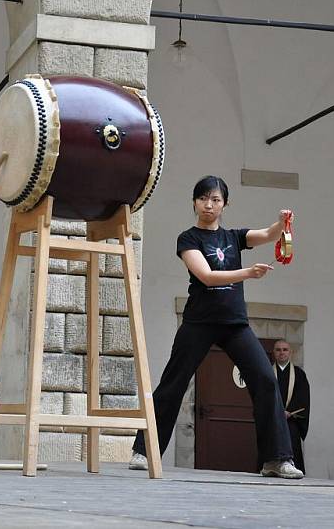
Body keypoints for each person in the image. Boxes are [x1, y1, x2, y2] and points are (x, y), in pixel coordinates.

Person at [128, 175, 303, 479]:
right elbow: (207, 276)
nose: (209, 205)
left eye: (216, 200)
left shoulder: (234, 237)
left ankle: (276, 459)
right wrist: (248, 272)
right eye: (203, 199)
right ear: (194, 202)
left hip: (235, 325)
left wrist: (281, 223)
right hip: (199, 323)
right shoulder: (188, 239)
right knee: (173, 384)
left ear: (225, 204)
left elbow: (268, 234)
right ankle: (144, 450)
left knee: (265, 379)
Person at [271, 339, 310, 473]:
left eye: (285, 349)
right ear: (273, 353)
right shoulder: (267, 372)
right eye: (278, 349)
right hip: (272, 419)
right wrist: (275, 411)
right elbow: (262, 394)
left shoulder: (299, 374)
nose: (282, 352)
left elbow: (302, 396)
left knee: (292, 447)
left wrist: (289, 412)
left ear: (290, 352)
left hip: (291, 420)